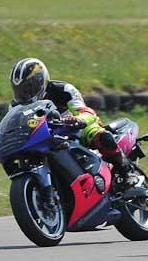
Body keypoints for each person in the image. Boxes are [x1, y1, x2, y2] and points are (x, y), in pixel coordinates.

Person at [9, 57, 132, 185]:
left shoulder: (63, 89)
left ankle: (126, 171)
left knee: (102, 137)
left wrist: (78, 119)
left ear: (40, 81)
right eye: (20, 89)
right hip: (43, 136)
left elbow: (85, 111)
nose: (25, 93)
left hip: (75, 128)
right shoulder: (15, 106)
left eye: (29, 87)